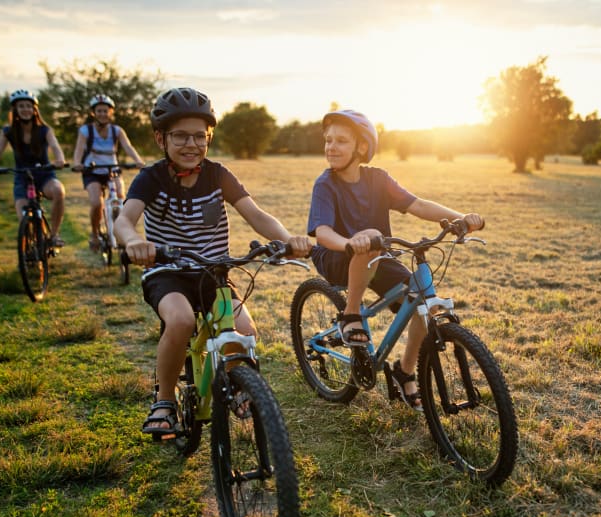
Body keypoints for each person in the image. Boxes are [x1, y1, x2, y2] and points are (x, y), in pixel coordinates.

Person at [113, 87, 311, 438]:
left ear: (209, 137)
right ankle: (164, 400)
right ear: (161, 138)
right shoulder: (150, 177)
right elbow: (124, 220)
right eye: (180, 136)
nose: (191, 144)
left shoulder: (218, 174)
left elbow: (256, 215)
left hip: (213, 272)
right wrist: (134, 242)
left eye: (199, 136)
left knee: (246, 332)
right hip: (168, 272)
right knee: (181, 320)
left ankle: (237, 387)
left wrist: (286, 239)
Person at [307, 109, 485, 411]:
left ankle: (404, 370)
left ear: (362, 148)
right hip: (337, 256)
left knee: (420, 304)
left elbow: (417, 204)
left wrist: (461, 219)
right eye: (327, 141)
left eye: (340, 141)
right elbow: (322, 231)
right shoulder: (325, 184)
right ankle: (350, 315)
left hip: (377, 255)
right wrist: (350, 242)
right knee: (371, 240)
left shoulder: (377, 179)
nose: (331, 147)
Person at [0, 89, 67, 246]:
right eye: (21, 106)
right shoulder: (8, 131)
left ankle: (54, 235)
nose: (25, 110)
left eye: (28, 106)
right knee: (24, 219)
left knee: (58, 191)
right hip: (22, 177)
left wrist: (60, 160)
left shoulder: (45, 130)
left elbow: (55, 147)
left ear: (34, 110)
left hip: (44, 175)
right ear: (15, 110)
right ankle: (30, 251)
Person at [72, 94, 146, 252]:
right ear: (93, 113)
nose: (102, 114)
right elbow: (79, 149)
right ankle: (94, 234)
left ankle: (123, 231)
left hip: (112, 170)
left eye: (105, 111)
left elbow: (128, 147)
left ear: (111, 112)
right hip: (92, 171)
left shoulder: (117, 130)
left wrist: (138, 160)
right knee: (96, 203)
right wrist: (77, 163)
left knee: (121, 199)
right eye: (99, 111)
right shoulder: (86, 130)